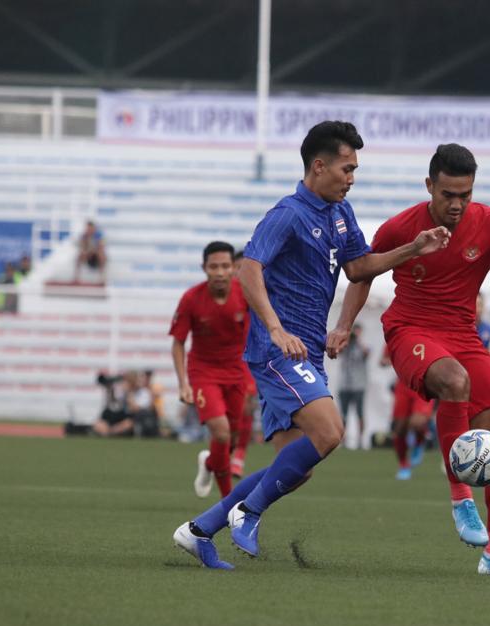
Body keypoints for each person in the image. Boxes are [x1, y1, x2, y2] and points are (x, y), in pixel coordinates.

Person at [173, 121, 449, 570]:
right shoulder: (287, 213)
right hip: (276, 349)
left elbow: (359, 269)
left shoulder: (342, 213)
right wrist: (277, 329)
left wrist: (412, 249)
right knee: (330, 432)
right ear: (318, 166)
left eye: (355, 169)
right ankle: (248, 511)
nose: (352, 177)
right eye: (346, 168)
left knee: (296, 467)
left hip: (307, 354)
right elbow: (250, 269)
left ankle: (200, 530)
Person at [332, 143, 490, 577]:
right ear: (430, 186)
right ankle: (461, 498)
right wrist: (344, 324)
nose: (457, 204)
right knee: (454, 381)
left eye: (464, 194)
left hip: (463, 337)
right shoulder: (402, 227)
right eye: (448, 194)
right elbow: (363, 271)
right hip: (410, 330)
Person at [169, 241, 251, 499]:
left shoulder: (245, 293)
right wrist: (183, 384)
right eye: (213, 266)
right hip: (204, 372)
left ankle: (208, 464)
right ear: (204, 268)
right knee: (221, 431)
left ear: (232, 269)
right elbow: (178, 343)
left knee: (232, 440)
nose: (219, 272)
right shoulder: (191, 299)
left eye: (225, 266)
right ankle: (229, 503)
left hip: (236, 371)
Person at [380, 345, 435, 480]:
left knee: (417, 422)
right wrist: (389, 361)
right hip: (403, 385)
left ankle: (419, 442)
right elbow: (383, 360)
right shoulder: (395, 334)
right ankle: (404, 465)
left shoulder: (428, 332)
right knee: (399, 429)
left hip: (423, 383)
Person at [230, 251, 258, 479]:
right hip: (225, 360)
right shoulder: (223, 296)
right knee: (228, 414)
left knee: (247, 406)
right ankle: (225, 451)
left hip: (249, 359)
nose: (239, 273)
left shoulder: (255, 292)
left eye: (243, 268)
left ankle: (239, 456)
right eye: (236, 268)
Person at [337, 322, 371, 449]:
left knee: (360, 413)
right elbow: (337, 352)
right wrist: (345, 340)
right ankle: (343, 440)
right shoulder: (345, 345)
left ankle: (361, 440)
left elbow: (367, 353)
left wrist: (358, 340)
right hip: (344, 385)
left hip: (359, 385)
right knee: (343, 414)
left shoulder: (363, 345)